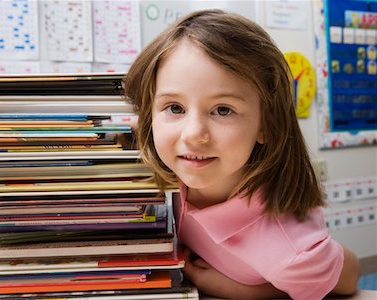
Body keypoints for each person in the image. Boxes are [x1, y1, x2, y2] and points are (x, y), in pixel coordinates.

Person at [123, 9, 360, 300]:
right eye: (175, 108)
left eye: (223, 110)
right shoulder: (166, 166)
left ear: (266, 125)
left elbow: (348, 277)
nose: (193, 134)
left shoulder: (292, 252)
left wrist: (248, 291)